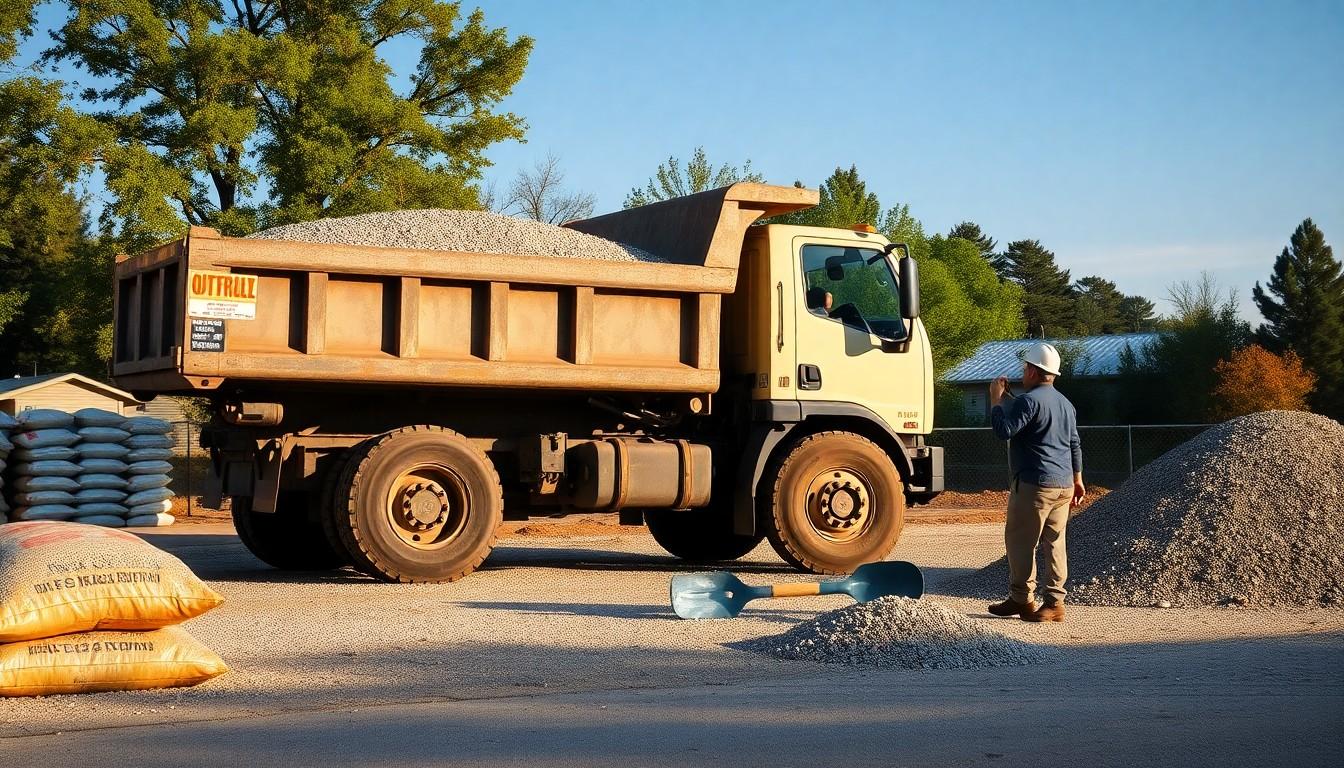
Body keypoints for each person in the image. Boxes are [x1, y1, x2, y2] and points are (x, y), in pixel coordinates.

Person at [986, 342, 1085, 623]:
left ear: (1032, 371)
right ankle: (1054, 603)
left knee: (1021, 542)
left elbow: (1004, 431)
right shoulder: (1066, 404)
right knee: (1054, 542)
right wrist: (1078, 479)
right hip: (1064, 484)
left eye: (1024, 368)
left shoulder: (1028, 402)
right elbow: (1074, 444)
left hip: (1034, 485)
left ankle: (1022, 598)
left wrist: (996, 400)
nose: (1023, 373)